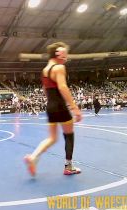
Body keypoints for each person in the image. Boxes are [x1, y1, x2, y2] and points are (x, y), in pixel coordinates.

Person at [24, 42, 82, 176]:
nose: (66, 56)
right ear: (59, 53)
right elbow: (62, 87)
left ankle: (33, 157)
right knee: (69, 135)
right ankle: (68, 167)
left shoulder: (45, 70)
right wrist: (74, 108)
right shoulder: (59, 68)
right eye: (65, 53)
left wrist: (53, 102)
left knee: (52, 138)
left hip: (50, 106)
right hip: (60, 106)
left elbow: (45, 89)